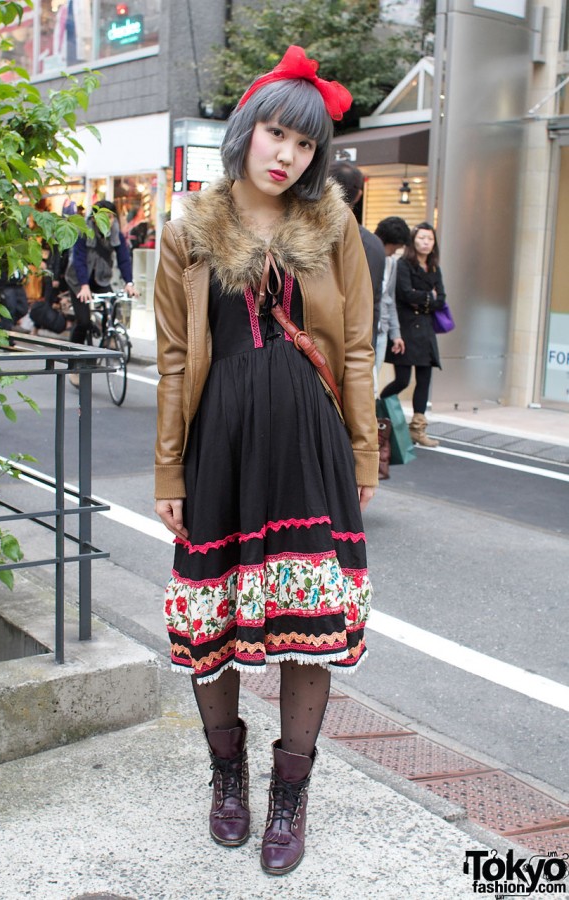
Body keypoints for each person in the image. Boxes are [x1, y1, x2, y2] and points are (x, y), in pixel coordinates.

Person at [153, 45, 378, 876]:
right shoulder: (189, 230)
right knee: (209, 620)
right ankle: (227, 781)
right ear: (247, 132)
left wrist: (362, 454)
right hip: (220, 447)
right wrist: (168, 471)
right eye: (276, 134)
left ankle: (290, 794)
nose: (287, 154)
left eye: (306, 144)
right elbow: (177, 359)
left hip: (309, 447)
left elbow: (355, 349)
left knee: (303, 626)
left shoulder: (335, 225)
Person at [380, 221, 446, 447]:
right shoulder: (403, 264)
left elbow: (443, 299)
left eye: (430, 239)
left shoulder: (435, 267)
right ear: (412, 240)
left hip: (426, 330)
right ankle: (379, 413)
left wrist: (425, 299)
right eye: (421, 238)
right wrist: (430, 297)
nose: (426, 243)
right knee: (402, 380)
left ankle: (418, 429)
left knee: (425, 379)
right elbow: (405, 294)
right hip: (406, 328)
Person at [64, 199, 137, 384]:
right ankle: (73, 365)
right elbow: (78, 259)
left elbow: (123, 260)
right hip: (78, 281)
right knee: (83, 321)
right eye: (105, 215)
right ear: (95, 216)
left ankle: (108, 335)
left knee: (114, 303)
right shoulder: (84, 232)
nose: (109, 220)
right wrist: (83, 285)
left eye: (112, 216)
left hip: (100, 279)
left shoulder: (116, 235)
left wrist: (129, 282)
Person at [329, 161, 384, 347]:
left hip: (309, 349)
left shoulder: (300, 234)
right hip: (360, 346)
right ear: (359, 194)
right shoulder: (374, 245)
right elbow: (370, 304)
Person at [373, 216, 410, 375]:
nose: (394, 252)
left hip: (382, 330)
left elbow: (389, 299)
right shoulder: (366, 254)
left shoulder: (392, 263)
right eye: (395, 248)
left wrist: (395, 334)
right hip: (365, 331)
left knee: (374, 385)